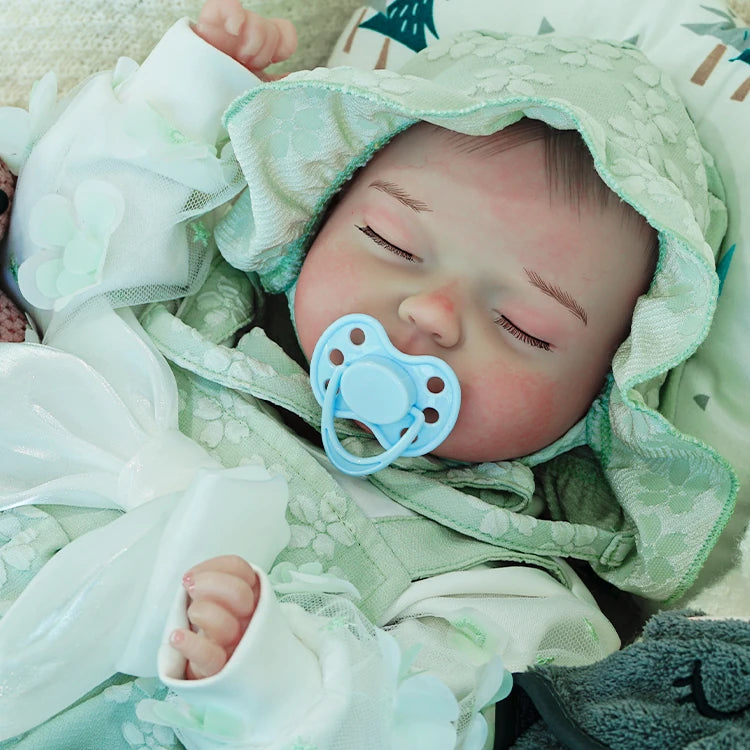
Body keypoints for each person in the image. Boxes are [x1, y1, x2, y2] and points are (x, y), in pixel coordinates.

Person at [0, 0, 737, 747]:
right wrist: (191, 86)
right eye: (391, 242)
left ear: (601, 401)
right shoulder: (192, 309)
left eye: (523, 326)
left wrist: (274, 676)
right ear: (319, 215)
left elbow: (438, 716)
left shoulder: (496, 575)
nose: (432, 312)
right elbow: (65, 249)